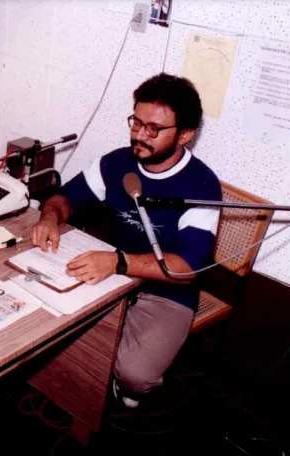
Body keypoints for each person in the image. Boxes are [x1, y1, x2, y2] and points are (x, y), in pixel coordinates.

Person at [30, 73, 221, 408]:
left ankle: (123, 393)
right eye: (136, 122)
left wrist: (119, 262)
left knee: (135, 374)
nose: (139, 135)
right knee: (43, 323)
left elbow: (187, 268)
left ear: (185, 135)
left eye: (154, 129)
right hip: (113, 272)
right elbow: (64, 199)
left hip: (166, 289)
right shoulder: (117, 162)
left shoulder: (202, 187)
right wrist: (49, 217)